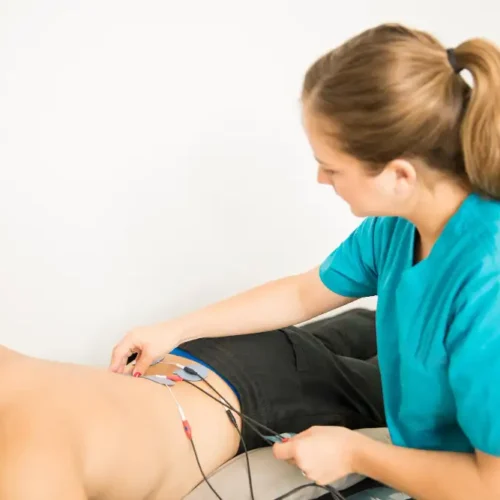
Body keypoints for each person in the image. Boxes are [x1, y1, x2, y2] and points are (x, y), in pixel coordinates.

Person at [110, 23, 500, 499]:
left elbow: (491, 485)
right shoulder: (399, 225)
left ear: (399, 175)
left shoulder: (487, 284)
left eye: (331, 167)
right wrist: (175, 329)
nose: (320, 178)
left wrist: (355, 454)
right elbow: (302, 293)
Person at [0, 308, 380, 500]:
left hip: (260, 394)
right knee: (361, 330)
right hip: (198, 353)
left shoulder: (24, 464)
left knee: (405, 394)